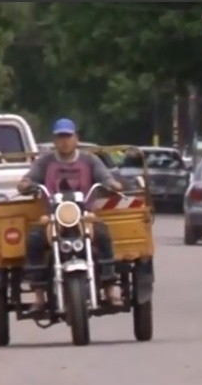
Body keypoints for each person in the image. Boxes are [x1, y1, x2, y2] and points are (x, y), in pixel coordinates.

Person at [17, 118, 124, 312]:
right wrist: (25, 183)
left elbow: (105, 177)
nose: (64, 141)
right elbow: (30, 178)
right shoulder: (45, 161)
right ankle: (39, 295)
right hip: (52, 218)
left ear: (76, 138)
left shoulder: (89, 160)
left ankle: (109, 288)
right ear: (54, 140)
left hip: (84, 216)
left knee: (103, 235)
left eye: (68, 136)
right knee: (33, 239)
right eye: (60, 137)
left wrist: (111, 184)